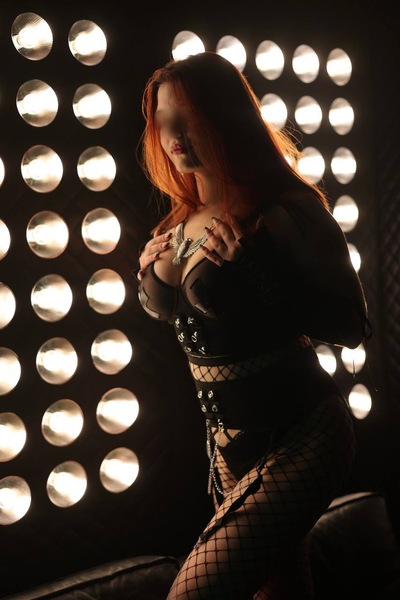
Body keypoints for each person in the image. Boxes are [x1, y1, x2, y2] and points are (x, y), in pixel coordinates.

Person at [134, 51, 371, 599]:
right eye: (164, 119)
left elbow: (352, 326)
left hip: (303, 435)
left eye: (188, 116)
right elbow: (182, 314)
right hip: (227, 448)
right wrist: (148, 275)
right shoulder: (179, 222)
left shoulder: (288, 211)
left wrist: (262, 272)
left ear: (225, 117)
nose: (173, 134)